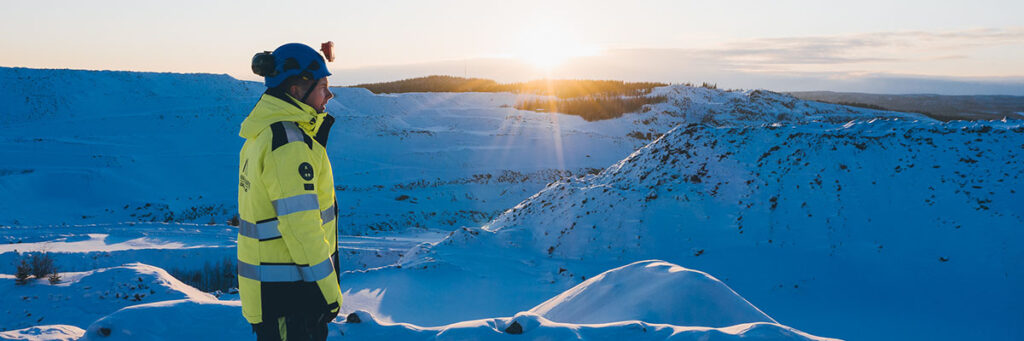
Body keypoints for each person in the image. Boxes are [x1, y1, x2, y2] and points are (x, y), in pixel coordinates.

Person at [237, 42, 341, 341]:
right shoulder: (289, 145)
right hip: (294, 297)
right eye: (323, 86)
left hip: (274, 294)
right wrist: (329, 293)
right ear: (297, 90)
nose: (329, 95)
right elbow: (301, 228)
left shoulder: (263, 135)